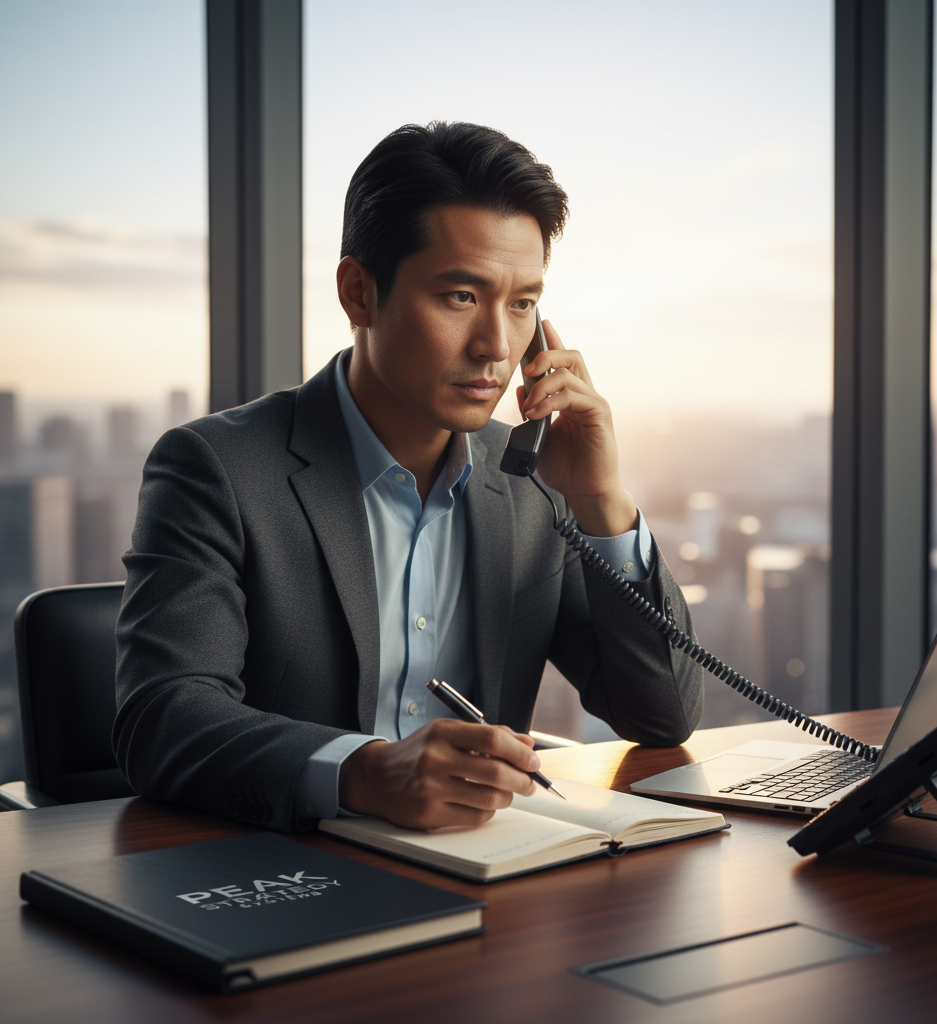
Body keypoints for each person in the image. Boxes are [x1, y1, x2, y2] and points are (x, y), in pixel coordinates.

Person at [113, 122, 703, 834]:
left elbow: (661, 714)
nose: (495, 346)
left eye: (521, 305)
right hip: (289, 870)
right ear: (359, 293)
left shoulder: (535, 479)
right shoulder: (217, 468)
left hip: (487, 872)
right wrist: (362, 772)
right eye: (460, 297)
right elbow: (162, 719)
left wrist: (603, 501)